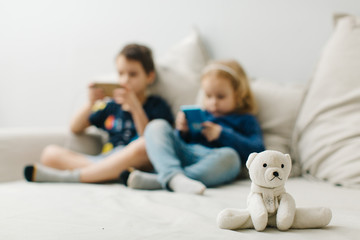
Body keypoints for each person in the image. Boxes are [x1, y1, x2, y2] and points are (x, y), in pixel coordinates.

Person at [24, 43, 174, 183]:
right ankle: (102, 173)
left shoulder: (157, 105)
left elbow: (154, 144)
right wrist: (90, 104)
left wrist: (135, 107)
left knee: (143, 146)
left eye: (133, 74)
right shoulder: (112, 106)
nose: (125, 80)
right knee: (49, 153)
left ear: (150, 76)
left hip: (135, 161)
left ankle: (74, 177)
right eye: (121, 73)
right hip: (104, 160)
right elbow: (75, 127)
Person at [121, 60, 265, 195]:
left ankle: (163, 179)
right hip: (185, 152)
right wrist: (183, 131)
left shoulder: (246, 119)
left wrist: (222, 134)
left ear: (238, 95)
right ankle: (173, 176)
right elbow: (178, 143)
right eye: (208, 96)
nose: (213, 102)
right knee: (156, 125)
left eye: (220, 97)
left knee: (231, 158)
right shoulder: (202, 114)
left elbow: (258, 150)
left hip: (211, 159)